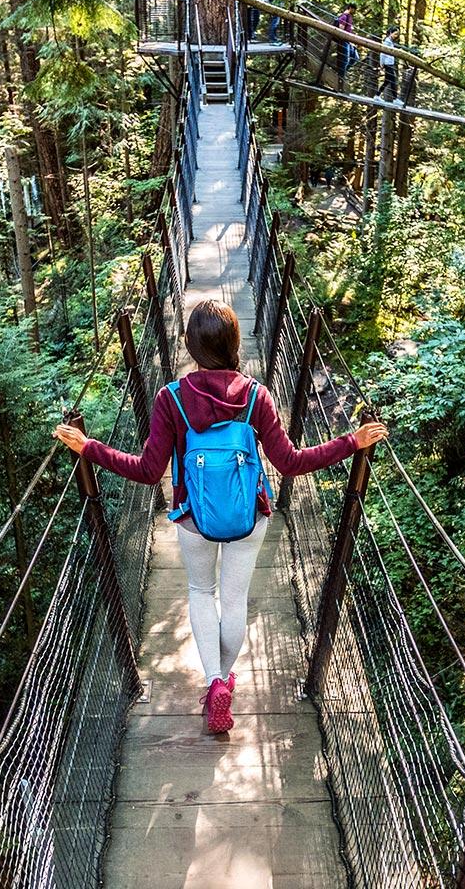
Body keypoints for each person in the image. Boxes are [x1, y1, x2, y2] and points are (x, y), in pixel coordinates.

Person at [54, 300, 388, 735]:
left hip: (194, 516)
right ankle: (224, 681)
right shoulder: (255, 396)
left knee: (200, 589)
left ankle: (214, 680)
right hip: (249, 515)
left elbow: (147, 470)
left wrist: (89, 448)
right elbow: (289, 462)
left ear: (191, 346)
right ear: (235, 343)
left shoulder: (170, 399)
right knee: (234, 602)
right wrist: (351, 441)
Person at [334, 3, 358, 82]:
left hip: (349, 42)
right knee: (345, 60)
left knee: (355, 57)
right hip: (344, 41)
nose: (355, 11)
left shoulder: (349, 17)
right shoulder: (344, 16)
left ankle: (341, 74)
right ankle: (340, 78)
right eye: (354, 9)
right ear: (350, 8)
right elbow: (341, 30)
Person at [378, 27, 400, 101]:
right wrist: (381, 63)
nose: (396, 36)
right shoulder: (387, 41)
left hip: (390, 63)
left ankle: (377, 95)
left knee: (387, 81)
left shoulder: (390, 41)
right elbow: (382, 53)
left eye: (397, 34)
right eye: (395, 34)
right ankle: (395, 99)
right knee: (393, 81)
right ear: (391, 33)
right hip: (387, 64)